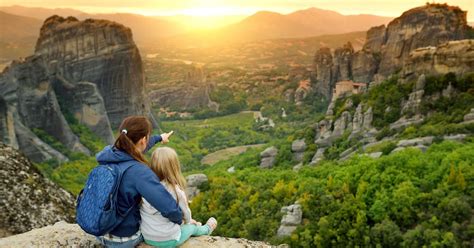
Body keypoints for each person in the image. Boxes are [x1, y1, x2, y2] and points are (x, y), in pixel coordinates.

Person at [95, 116, 182, 248]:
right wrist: (181, 220)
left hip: (100, 230)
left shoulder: (110, 153)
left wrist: (159, 138)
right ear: (142, 140)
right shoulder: (139, 172)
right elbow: (169, 209)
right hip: (123, 239)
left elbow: (134, 149)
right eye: (148, 137)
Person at [140, 147, 217, 247]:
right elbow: (186, 213)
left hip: (148, 237)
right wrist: (189, 222)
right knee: (192, 228)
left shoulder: (145, 186)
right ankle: (207, 229)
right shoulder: (176, 191)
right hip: (168, 239)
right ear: (174, 167)